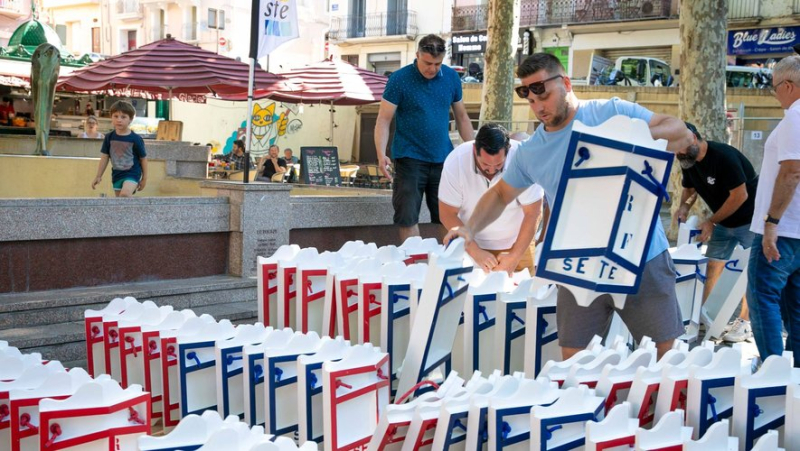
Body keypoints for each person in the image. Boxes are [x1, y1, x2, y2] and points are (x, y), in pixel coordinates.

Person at [444, 53, 694, 359]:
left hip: (641, 255)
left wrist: (617, 141)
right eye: (529, 99)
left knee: (665, 360)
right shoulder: (531, 151)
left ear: (565, 83)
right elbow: (499, 196)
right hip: (576, 265)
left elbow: (680, 133)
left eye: (543, 95)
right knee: (575, 367)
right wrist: (468, 229)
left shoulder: (610, 112)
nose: (538, 107)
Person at [375, 34, 475, 242]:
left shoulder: (451, 77)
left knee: (447, 217)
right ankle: (414, 267)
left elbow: (462, 117)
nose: (432, 68)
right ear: (417, 55)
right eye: (428, 63)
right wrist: (380, 154)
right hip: (409, 157)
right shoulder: (399, 79)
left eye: (437, 64)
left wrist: (473, 150)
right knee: (407, 216)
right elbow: (383, 120)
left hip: (444, 159)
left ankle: (447, 265)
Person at [673, 122, 758, 343]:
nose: (677, 153)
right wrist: (684, 207)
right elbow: (690, 188)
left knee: (750, 271)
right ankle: (704, 317)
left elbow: (740, 196)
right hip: (723, 221)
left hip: (750, 220)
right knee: (712, 265)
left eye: (678, 147)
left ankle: (745, 322)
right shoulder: (688, 160)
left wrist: (711, 221)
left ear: (693, 138)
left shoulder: (723, 157)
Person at [747, 55, 800, 366]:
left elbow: (792, 171)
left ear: (789, 86)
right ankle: (792, 374)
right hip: (793, 229)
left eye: (775, 87)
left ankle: (772, 371)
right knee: (795, 306)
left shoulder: (795, 117)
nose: (775, 93)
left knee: (762, 297)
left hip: (784, 230)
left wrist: (771, 223)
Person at [439, 123, 544, 274]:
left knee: (521, 295)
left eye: (499, 165)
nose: (492, 171)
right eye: (485, 164)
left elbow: (533, 212)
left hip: (518, 244)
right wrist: (475, 251)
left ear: (508, 152)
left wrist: (515, 255)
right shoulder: (456, 162)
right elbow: (447, 213)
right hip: (469, 247)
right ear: (475, 150)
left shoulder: (525, 160)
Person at [91, 100, 148, 197]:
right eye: (116, 116)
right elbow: (105, 157)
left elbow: (143, 159)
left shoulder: (135, 139)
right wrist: (98, 176)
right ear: (111, 117)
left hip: (132, 173)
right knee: (120, 203)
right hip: (117, 175)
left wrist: (144, 178)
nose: (119, 120)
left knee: (125, 194)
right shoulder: (109, 137)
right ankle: (134, 211)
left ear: (130, 119)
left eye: (123, 117)